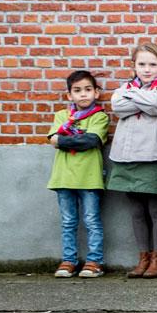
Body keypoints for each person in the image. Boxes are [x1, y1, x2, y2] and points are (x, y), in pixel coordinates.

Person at [108, 43, 157, 278]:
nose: (147, 69)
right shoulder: (122, 90)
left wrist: (134, 96)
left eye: (152, 65)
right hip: (126, 157)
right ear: (133, 66)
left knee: (156, 209)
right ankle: (142, 257)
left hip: (152, 155)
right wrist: (145, 99)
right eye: (142, 64)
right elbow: (118, 106)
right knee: (136, 210)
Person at [47, 70, 109, 278]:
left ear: (96, 93)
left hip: (89, 178)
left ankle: (95, 261)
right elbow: (52, 140)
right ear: (69, 95)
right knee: (68, 221)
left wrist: (63, 141)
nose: (83, 94)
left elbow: (91, 140)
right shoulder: (61, 116)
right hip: (63, 178)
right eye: (77, 90)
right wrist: (64, 140)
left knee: (92, 220)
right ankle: (69, 260)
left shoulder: (99, 117)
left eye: (88, 90)